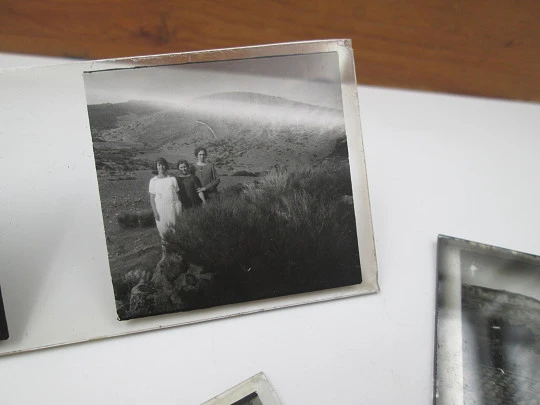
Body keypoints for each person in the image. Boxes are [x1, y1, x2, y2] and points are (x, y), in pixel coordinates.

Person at [148, 158, 182, 242]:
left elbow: (177, 194)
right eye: (159, 165)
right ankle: (165, 251)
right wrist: (155, 212)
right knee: (162, 230)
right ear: (156, 166)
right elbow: (152, 198)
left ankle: (176, 251)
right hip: (160, 209)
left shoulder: (172, 179)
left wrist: (179, 207)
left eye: (163, 165)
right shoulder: (153, 181)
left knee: (175, 229)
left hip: (173, 207)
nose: (161, 167)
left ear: (166, 166)